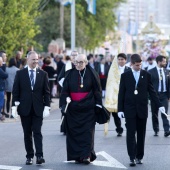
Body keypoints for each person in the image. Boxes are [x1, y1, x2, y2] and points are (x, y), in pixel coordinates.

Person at [118, 54, 165, 166]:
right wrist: (120, 109)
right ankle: (132, 157)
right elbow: (121, 93)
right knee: (130, 134)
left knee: (141, 134)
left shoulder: (146, 74)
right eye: (137, 65)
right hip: (129, 109)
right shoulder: (125, 76)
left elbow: (152, 91)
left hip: (142, 109)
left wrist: (159, 105)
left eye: (140, 64)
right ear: (131, 64)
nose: (139, 67)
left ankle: (139, 156)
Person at [60, 54, 102, 164]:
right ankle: (77, 156)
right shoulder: (69, 74)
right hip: (73, 109)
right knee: (74, 133)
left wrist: (98, 104)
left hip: (88, 107)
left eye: (81, 62)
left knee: (88, 133)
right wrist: (64, 103)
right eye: (76, 62)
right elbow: (64, 91)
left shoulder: (92, 73)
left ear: (86, 62)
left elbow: (97, 90)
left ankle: (86, 155)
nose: (78, 65)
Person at [12, 51, 50, 165]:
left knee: (37, 132)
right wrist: (14, 106)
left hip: (38, 108)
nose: (35, 61)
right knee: (27, 133)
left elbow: (46, 92)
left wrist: (47, 106)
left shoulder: (43, 74)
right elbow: (16, 91)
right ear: (27, 59)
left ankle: (39, 156)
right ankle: (29, 156)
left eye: (37, 59)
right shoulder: (20, 74)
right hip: (25, 108)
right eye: (33, 59)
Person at [105, 53, 131, 136]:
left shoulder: (129, 70)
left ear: (125, 60)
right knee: (115, 112)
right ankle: (119, 128)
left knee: (127, 111)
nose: (120, 61)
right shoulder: (113, 70)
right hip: (115, 94)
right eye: (119, 59)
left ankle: (129, 126)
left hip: (126, 94)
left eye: (122, 59)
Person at [148, 55, 170, 137]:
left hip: (164, 95)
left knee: (164, 113)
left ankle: (166, 130)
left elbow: (169, 84)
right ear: (159, 62)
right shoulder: (150, 71)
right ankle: (156, 129)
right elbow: (148, 85)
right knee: (154, 114)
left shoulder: (167, 71)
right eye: (164, 61)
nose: (165, 63)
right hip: (154, 96)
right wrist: (149, 97)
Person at [58, 51, 78, 134]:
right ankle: (64, 129)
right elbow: (60, 78)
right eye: (72, 55)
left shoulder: (80, 65)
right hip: (67, 92)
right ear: (70, 56)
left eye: (75, 55)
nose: (74, 57)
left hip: (77, 92)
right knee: (65, 109)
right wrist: (66, 85)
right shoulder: (66, 66)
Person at [0, 57, 8, 121]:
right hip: (1, 88)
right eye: (1, 61)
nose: (2, 62)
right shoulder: (0, 70)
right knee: (1, 102)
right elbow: (5, 75)